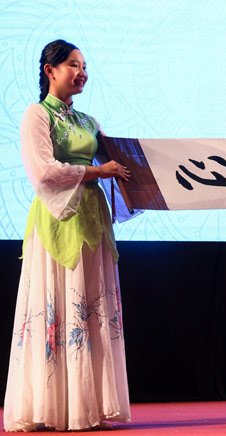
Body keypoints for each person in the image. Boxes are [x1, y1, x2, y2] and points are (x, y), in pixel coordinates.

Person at [3, 39, 133, 431]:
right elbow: (43, 171)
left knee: (91, 307)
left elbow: (120, 164)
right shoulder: (37, 115)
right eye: (73, 65)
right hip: (59, 218)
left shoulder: (88, 121)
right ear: (50, 70)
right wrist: (96, 172)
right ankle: (53, 407)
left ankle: (87, 405)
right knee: (61, 303)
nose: (82, 72)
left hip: (93, 219)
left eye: (84, 65)